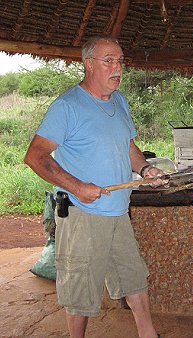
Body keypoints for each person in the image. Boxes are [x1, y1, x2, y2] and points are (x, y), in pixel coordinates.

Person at [24, 36, 166, 338]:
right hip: (82, 214)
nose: (118, 68)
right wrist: (76, 186)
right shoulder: (67, 106)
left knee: (134, 278)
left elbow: (127, 146)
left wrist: (144, 169)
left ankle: (148, 335)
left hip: (117, 212)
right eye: (109, 61)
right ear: (89, 64)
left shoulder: (119, 101)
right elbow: (35, 156)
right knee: (80, 291)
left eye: (121, 61)